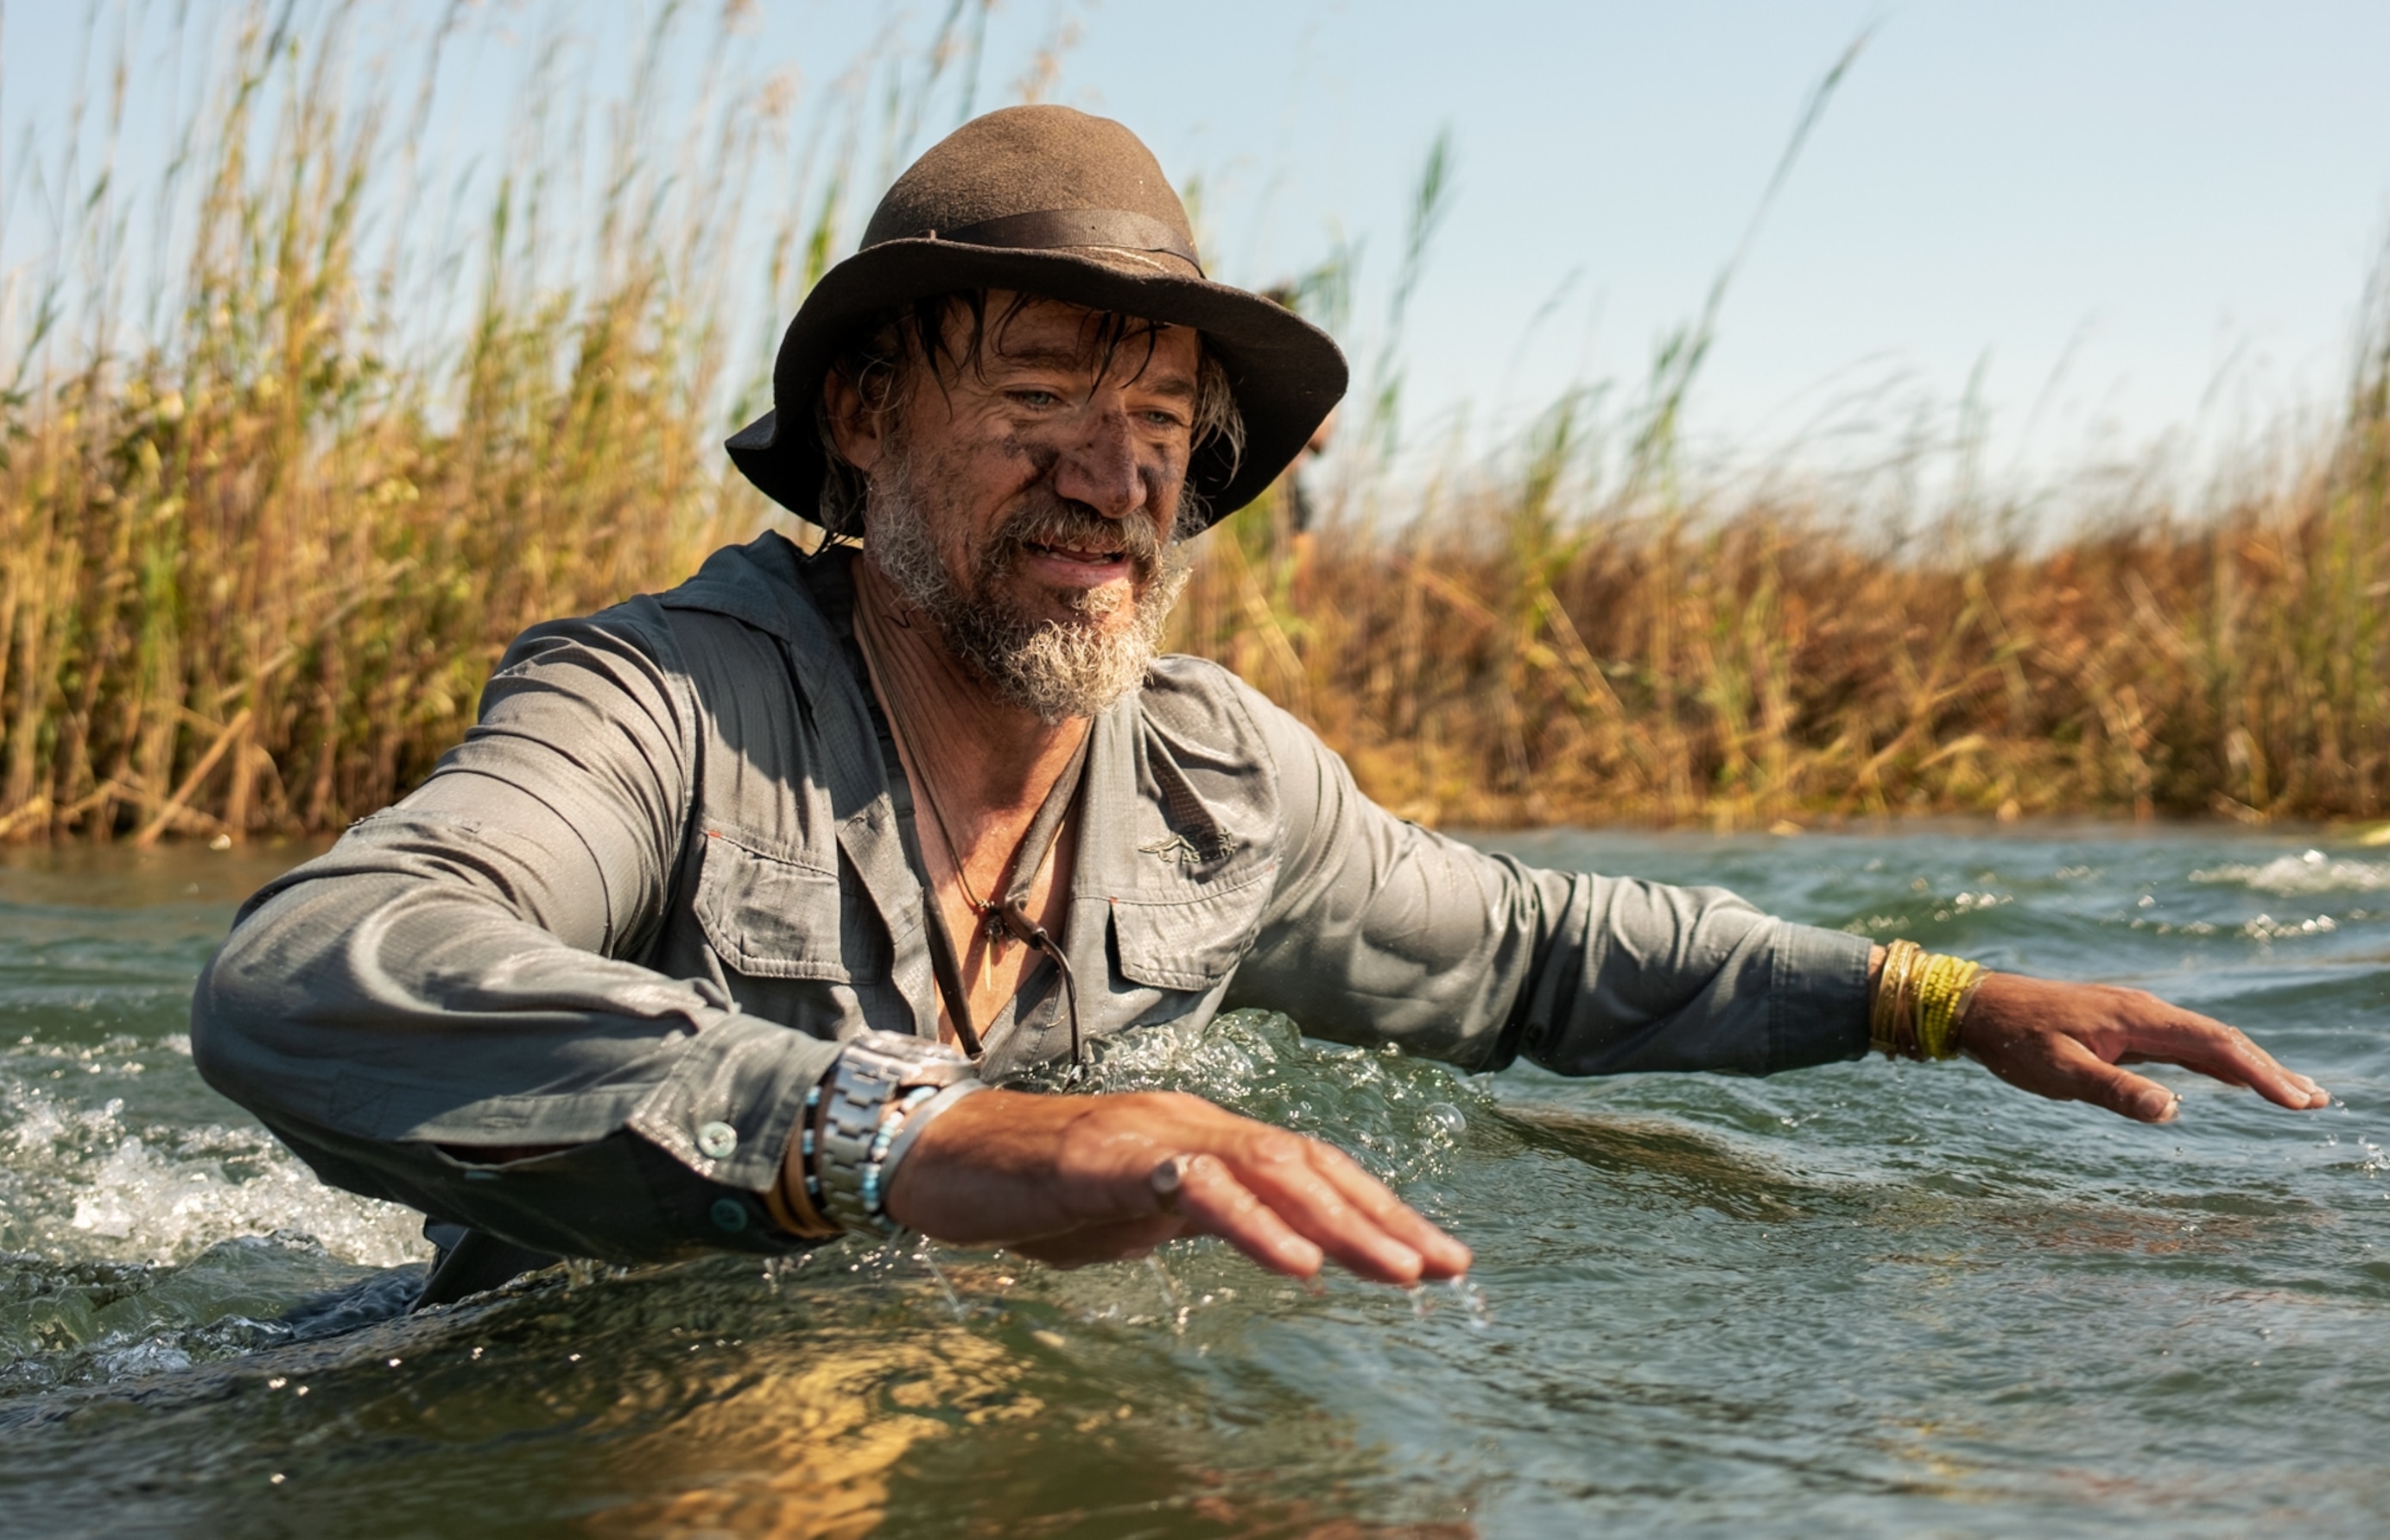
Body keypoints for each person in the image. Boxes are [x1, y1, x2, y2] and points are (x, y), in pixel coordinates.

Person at [192, 105, 2327, 1307]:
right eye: (1037, 394)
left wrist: (1938, 1002)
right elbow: (312, 977)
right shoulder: (662, 701)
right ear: (857, 422)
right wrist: (922, 1132)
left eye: (1156, 421)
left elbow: (1535, 953)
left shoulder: (1218, 784)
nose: (1112, 467)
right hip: (559, 1395)